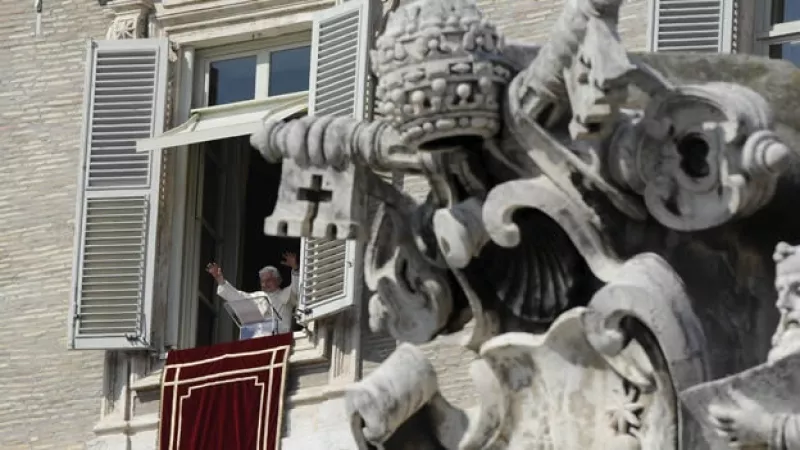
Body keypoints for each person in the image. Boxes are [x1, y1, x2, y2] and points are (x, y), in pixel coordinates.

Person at [206, 251, 300, 337]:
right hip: (257, 339)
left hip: (280, 338)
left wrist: (295, 268)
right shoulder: (257, 296)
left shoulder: (287, 293)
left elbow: (297, 288)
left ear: (279, 280)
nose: (264, 284)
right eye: (262, 281)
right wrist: (220, 279)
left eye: (268, 280)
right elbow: (237, 296)